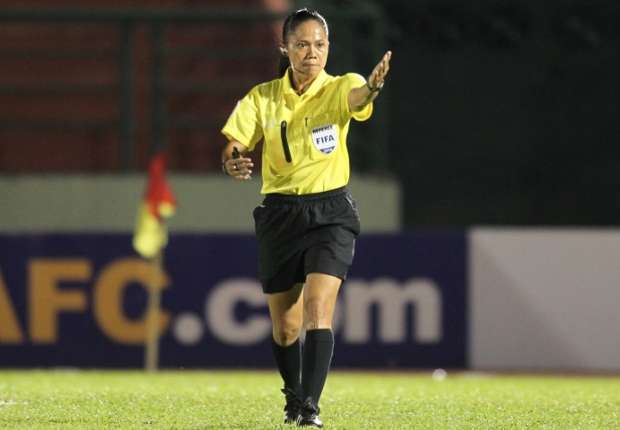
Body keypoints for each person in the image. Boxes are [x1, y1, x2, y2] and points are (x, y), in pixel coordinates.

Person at [220, 8, 391, 428]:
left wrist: (372, 87)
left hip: (330, 212)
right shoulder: (262, 97)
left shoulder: (341, 86)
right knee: (285, 328)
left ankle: (310, 408)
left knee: (318, 308)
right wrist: (233, 160)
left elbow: (359, 98)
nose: (311, 52)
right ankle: (294, 397)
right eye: (301, 44)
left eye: (319, 44)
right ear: (285, 48)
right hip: (280, 214)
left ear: (328, 47)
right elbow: (234, 144)